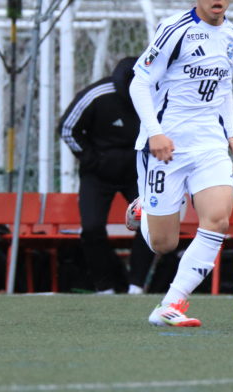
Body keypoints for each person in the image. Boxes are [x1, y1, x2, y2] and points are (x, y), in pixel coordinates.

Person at [128, 0, 233, 327]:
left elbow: (223, 88)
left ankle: (171, 305)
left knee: (218, 219)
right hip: (168, 146)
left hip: (209, 144)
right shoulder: (174, 30)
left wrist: (231, 135)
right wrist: (155, 133)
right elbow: (138, 83)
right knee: (164, 243)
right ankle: (144, 209)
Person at [58, 57, 155, 294]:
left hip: (137, 173)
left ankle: (136, 286)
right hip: (98, 174)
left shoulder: (156, 94)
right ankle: (105, 287)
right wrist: (92, 159)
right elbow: (67, 128)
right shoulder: (98, 95)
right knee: (92, 228)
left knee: (150, 221)